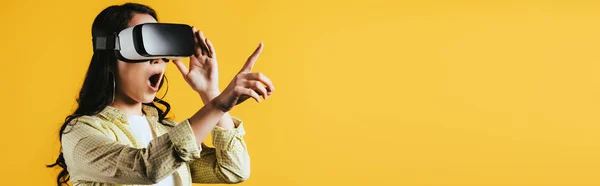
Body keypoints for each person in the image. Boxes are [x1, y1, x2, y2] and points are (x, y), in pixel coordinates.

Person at [46, 3, 275, 186]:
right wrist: (218, 105)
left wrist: (210, 92)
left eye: (161, 47)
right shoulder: (81, 133)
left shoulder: (166, 130)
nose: (159, 58)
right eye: (143, 46)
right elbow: (145, 169)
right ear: (109, 59)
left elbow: (233, 170)